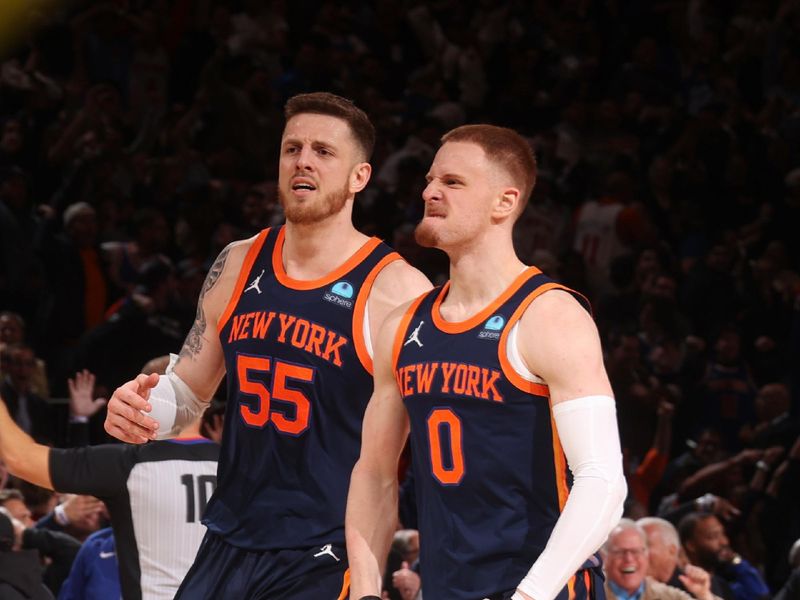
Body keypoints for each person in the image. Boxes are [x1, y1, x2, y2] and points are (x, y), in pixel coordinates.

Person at [103, 92, 431, 598]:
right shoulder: (237, 262)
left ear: (359, 177)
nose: (303, 160)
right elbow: (190, 392)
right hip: (229, 534)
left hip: (324, 547)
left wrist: (371, 584)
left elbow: (415, 451)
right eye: (292, 148)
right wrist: (143, 409)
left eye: (324, 151)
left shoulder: (397, 290)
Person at [346, 124, 627, 600]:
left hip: (541, 590)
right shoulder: (402, 325)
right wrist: (367, 591)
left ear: (505, 202)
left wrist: (530, 595)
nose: (430, 191)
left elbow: (603, 481)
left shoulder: (550, 315)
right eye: (431, 180)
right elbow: (374, 473)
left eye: (453, 183)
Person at [0, 389, 219, 600]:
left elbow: (21, 458)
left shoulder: (128, 466)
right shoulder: (241, 467)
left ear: (147, 401)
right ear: (204, 403)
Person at [603, 519, 702, 600]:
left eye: (636, 551)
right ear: (606, 558)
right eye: (620, 552)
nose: (629, 559)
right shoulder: (591, 592)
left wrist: (705, 595)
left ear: (646, 555)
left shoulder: (670, 596)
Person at [637, 516, 718, 599]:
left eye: (645, 546)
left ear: (672, 550)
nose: (636, 555)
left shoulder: (702, 587)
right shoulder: (630, 588)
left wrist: (704, 595)